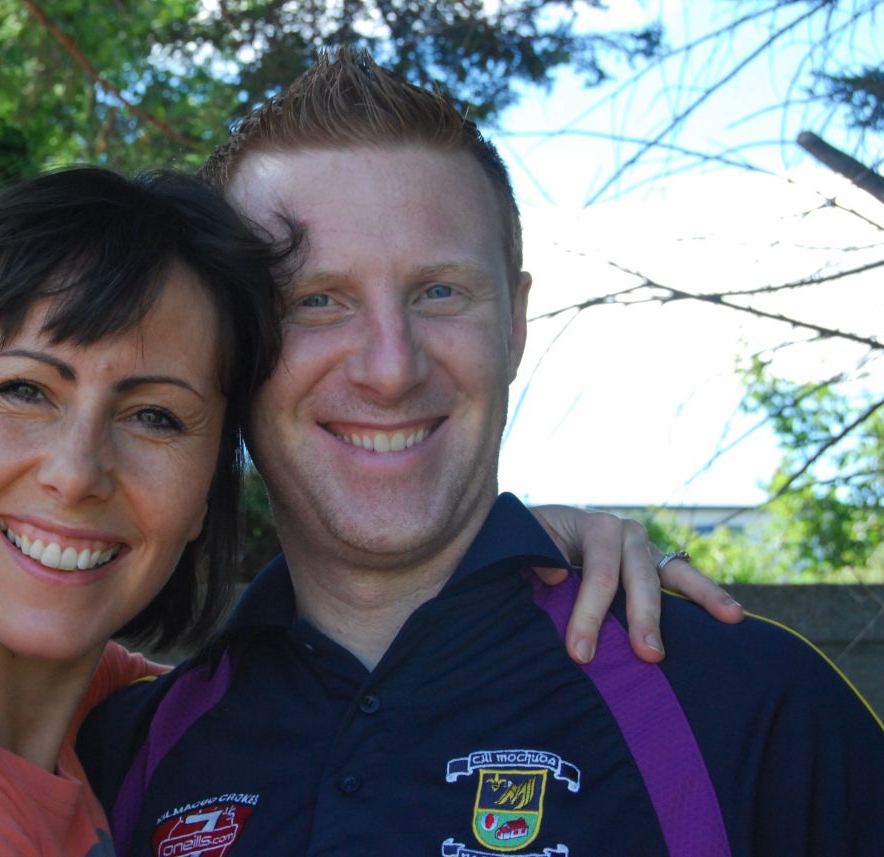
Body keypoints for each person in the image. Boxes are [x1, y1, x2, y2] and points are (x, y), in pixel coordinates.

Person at [0, 165, 708, 857]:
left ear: (203, 491)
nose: (75, 470)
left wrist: (518, 552)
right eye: (24, 390)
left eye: (152, 416)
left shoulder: (105, 715)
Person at [77, 50, 884, 856]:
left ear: (514, 323)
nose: (391, 368)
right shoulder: (121, 757)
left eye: (439, 292)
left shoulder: (753, 706)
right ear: (231, 346)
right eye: (315, 301)